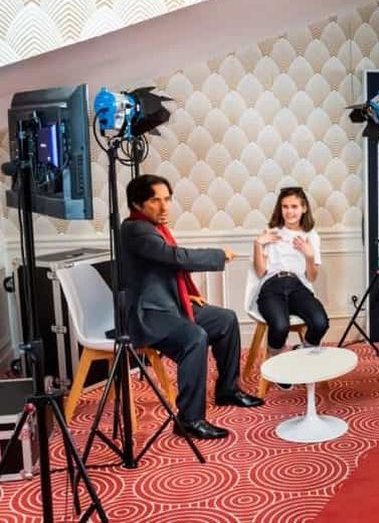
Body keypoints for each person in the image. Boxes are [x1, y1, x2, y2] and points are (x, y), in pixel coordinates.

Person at [121, 174, 263, 440]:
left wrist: (185, 293)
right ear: (137, 204)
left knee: (225, 319)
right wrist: (219, 255)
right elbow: (174, 257)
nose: (164, 207)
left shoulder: (153, 227)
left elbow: (161, 267)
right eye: (155, 201)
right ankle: (189, 419)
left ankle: (227, 390)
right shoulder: (136, 229)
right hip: (148, 314)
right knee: (194, 338)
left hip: (169, 304)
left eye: (167, 199)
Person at [247, 186, 329, 389]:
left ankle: (304, 352)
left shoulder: (311, 236)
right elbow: (260, 272)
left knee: (320, 322)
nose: (289, 211)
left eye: (294, 206)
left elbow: (312, 277)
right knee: (280, 326)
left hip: (298, 286)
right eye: (285, 207)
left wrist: (309, 255)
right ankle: (278, 361)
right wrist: (258, 244)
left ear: (304, 208)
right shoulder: (271, 233)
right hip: (272, 286)